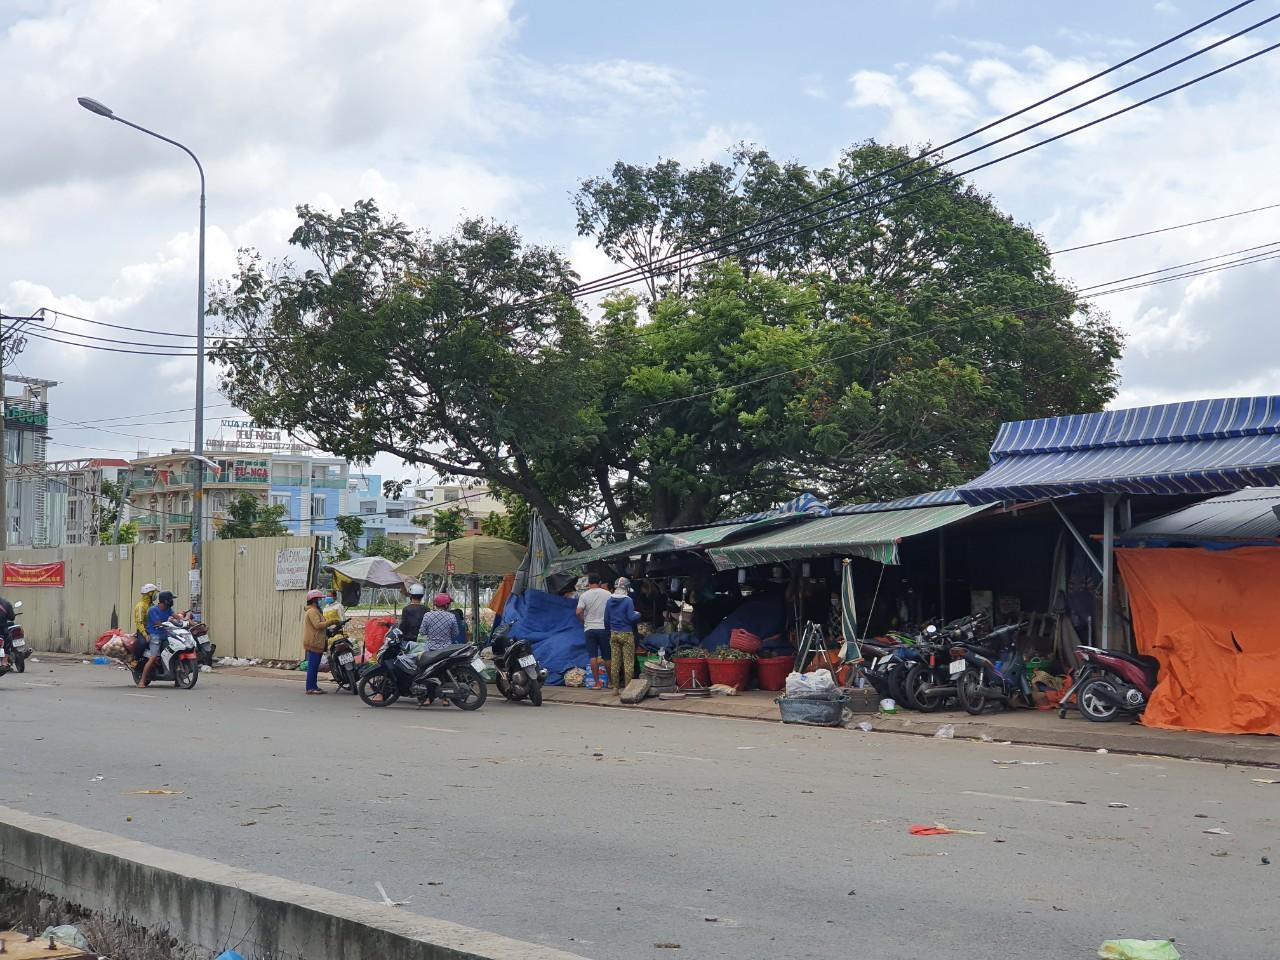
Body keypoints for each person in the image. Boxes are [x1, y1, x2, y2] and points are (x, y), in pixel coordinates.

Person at [576, 572, 613, 689]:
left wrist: (583, 622)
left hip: (590, 629)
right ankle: (611, 683)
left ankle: (597, 684)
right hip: (603, 628)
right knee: (607, 656)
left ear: (588, 583)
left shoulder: (584, 595)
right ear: (600, 582)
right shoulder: (608, 594)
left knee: (593, 656)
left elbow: (578, 612)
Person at [606, 576, 642, 690]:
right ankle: (628, 688)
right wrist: (638, 614)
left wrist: (610, 630)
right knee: (628, 662)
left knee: (615, 661)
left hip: (614, 634)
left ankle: (615, 688)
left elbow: (606, 619)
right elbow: (631, 617)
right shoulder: (628, 600)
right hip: (626, 634)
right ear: (627, 588)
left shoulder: (609, 600)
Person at [140, 590, 177, 688]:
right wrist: (171, 622)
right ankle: (142, 681)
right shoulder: (153, 610)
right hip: (155, 636)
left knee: (174, 652)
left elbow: (176, 616)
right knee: (153, 658)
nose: (172, 601)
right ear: (165, 601)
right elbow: (158, 623)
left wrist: (185, 620)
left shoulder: (168, 609)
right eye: (170, 599)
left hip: (166, 635)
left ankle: (177, 678)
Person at [301, 589, 328, 695]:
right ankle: (310, 688)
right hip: (314, 642)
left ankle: (314, 686)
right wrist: (330, 622)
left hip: (317, 641)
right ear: (314, 600)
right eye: (320, 599)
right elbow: (317, 625)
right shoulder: (312, 611)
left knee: (315, 666)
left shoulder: (316, 610)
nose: (321, 601)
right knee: (313, 666)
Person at [133, 583, 158, 658]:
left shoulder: (152, 605)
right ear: (150, 593)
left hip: (153, 629)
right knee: (143, 643)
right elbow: (139, 623)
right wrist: (145, 635)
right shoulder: (141, 606)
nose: (156, 595)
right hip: (143, 631)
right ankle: (135, 660)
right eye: (154, 593)